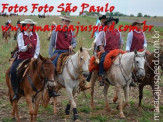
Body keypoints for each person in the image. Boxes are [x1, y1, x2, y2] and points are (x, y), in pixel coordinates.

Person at [10, 19, 40, 100]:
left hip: (33, 58)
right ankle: (16, 91)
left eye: (31, 25)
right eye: (27, 25)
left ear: (32, 26)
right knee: (13, 71)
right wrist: (26, 47)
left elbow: (37, 48)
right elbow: (21, 48)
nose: (29, 26)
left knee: (44, 69)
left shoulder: (36, 35)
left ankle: (41, 90)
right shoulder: (20, 35)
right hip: (22, 58)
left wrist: (35, 57)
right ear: (24, 26)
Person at [95, 17, 124, 86]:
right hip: (107, 50)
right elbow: (98, 40)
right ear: (108, 24)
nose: (113, 24)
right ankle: (101, 76)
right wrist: (101, 48)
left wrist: (120, 48)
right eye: (111, 22)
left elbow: (121, 42)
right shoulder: (103, 32)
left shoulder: (118, 32)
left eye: (114, 22)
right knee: (102, 61)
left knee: (125, 60)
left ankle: (126, 77)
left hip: (116, 51)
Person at [126, 20, 147, 87]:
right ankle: (131, 79)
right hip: (133, 52)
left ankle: (144, 76)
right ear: (135, 25)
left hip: (141, 51)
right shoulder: (131, 32)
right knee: (132, 65)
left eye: (140, 25)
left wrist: (145, 46)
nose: (139, 26)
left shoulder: (142, 33)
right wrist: (127, 51)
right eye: (138, 25)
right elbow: (128, 43)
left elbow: (145, 42)